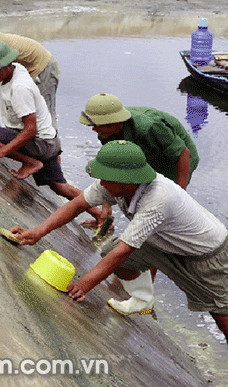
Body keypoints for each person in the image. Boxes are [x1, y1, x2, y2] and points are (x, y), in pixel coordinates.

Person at [10, 140, 228, 387]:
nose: (102, 183)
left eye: (106, 179)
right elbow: (78, 204)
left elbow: (124, 251)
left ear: (129, 179)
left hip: (203, 252)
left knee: (225, 318)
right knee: (109, 252)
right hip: (162, 239)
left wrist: (83, 285)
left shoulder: (157, 198)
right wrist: (37, 232)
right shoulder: (114, 183)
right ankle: (142, 299)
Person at [0, 40, 102, 222]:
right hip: (49, 141)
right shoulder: (9, 73)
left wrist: (2, 151)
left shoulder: (19, 88)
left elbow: (30, 130)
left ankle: (31, 163)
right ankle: (99, 215)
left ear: (8, 64)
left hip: (40, 142)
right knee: (60, 187)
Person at [78, 93, 200, 314]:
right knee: (134, 207)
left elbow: (183, 153)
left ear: (114, 122)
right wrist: (107, 207)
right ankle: (133, 269)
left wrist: (180, 194)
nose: (95, 131)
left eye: (98, 127)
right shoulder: (107, 131)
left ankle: (147, 288)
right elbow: (111, 166)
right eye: (94, 127)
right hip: (143, 159)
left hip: (174, 163)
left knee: (154, 225)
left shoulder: (149, 127)